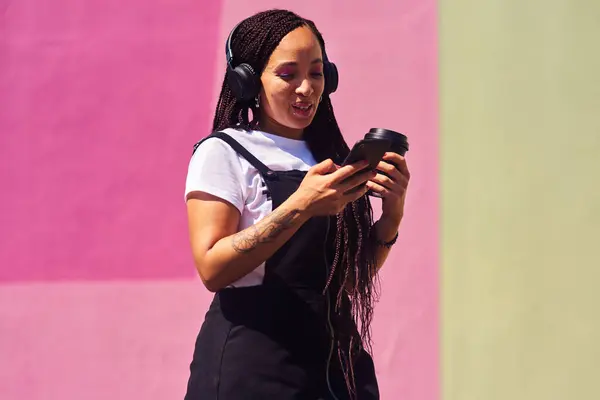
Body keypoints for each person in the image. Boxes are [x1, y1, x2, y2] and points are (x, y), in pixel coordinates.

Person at [183, 9, 410, 400]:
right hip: (256, 365)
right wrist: (300, 206)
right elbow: (212, 268)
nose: (306, 88)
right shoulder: (223, 152)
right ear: (248, 81)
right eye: (289, 75)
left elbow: (349, 281)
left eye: (317, 73)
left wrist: (392, 215)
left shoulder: (331, 155)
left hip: (336, 368)